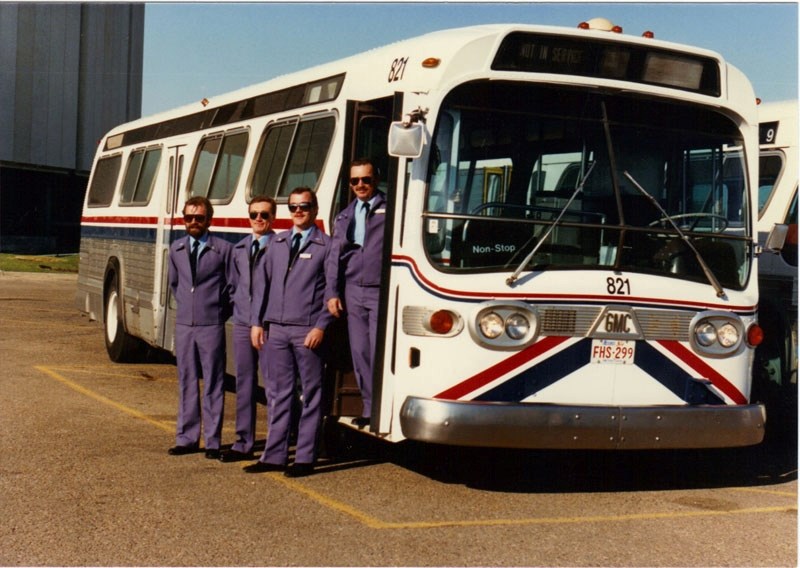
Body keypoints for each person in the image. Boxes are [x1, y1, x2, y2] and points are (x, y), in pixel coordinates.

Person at [245, 187, 333, 477]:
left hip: (307, 331)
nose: (298, 211)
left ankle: (305, 457)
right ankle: (274, 455)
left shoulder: (327, 246)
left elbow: (333, 292)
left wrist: (321, 325)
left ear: (315, 209)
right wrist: (258, 322)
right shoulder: (278, 244)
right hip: (276, 331)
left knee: (311, 394)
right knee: (278, 393)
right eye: (293, 207)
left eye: (304, 206)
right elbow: (262, 287)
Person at [167, 196, 233, 459]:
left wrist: (216, 311)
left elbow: (232, 287)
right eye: (189, 217)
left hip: (211, 324)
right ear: (184, 219)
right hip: (185, 325)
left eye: (199, 218)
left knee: (215, 382)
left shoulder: (223, 250)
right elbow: (174, 285)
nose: (194, 222)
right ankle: (187, 438)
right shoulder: (176, 249)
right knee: (186, 381)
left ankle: (214, 440)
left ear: (209, 220)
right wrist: (187, 308)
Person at [325, 158, 386, 427]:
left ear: (376, 180)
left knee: (378, 350)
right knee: (360, 351)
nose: (360, 185)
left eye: (366, 179)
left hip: (381, 291)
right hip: (353, 291)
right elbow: (333, 258)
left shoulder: (391, 209)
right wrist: (332, 293)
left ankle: (381, 409)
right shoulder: (345, 216)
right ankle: (369, 409)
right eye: (355, 181)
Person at [220, 196, 277, 463]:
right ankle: (243, 442)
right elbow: (233, 285)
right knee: (244, 383)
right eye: (254, 214)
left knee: (274, 386)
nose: (258, 219)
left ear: (272, 218)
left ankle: (276, 446)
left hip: (268, 326)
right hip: (243, 323)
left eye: (264, 215)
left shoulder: (280, 247)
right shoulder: (239, 249)